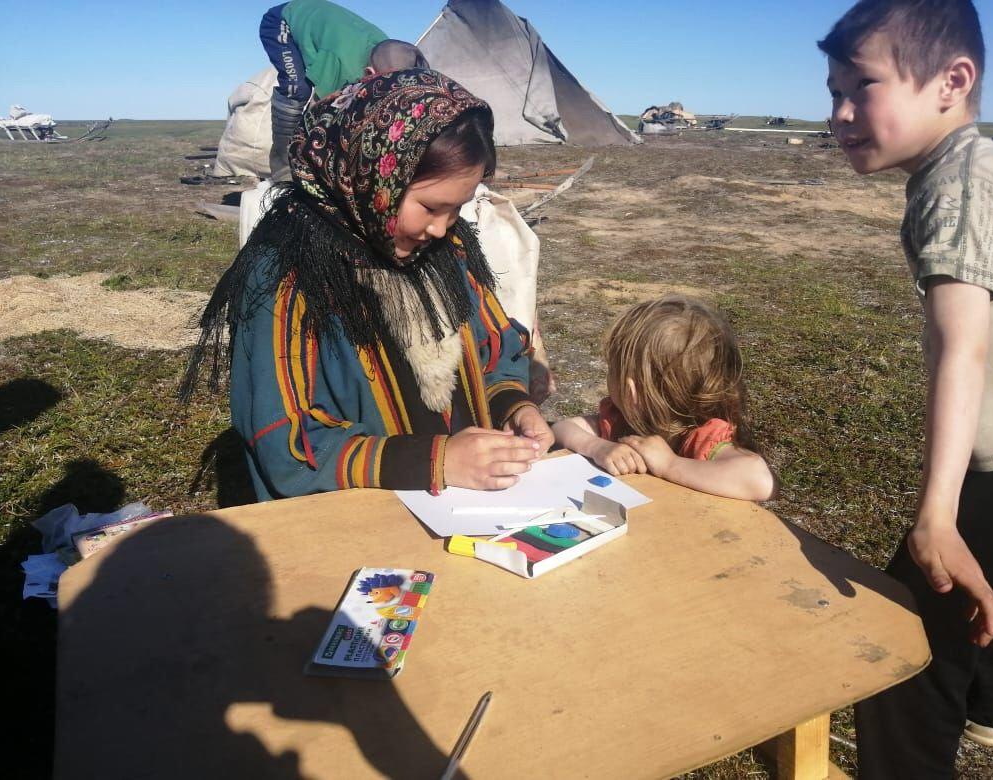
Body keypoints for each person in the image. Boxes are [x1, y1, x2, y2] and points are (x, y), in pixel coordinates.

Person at [819, 1, 993, 776]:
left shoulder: (958, 183)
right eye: (833, 93)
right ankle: (989, 714)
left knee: (906, 663)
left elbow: (962, 346)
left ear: (953, 81)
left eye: (864, 87)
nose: (841, 113)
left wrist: (937, 515)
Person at [182, 69, 553, 499]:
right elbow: (286, 441)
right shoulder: (286, 275)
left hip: (469, 504)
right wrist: (436, 461)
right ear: (374, 176)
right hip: (359, 515)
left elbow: (494, 349)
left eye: (457, 209)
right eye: (430, 207)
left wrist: (513, 406)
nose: (441, 227)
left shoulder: (446, 250)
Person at [551, 295, 775, 502]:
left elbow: (759, 481)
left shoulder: (702, 437)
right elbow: (562, 428)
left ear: (630, 391)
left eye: (611, 370)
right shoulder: (621, 420)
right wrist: (598, 447)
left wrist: (670, 464)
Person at [259, 0, 427, 180]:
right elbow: (320, 110)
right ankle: (283, 166)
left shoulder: (392, 54)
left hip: (332, 32)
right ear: (369, 73)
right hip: (283, 20)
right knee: (296, 89)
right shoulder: (344, 68)